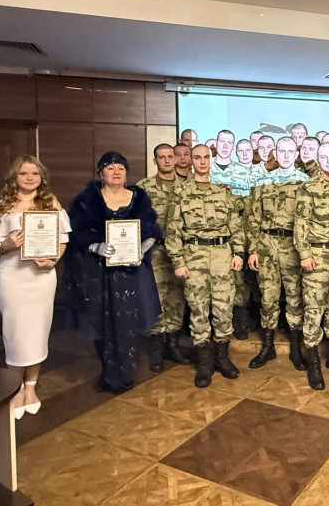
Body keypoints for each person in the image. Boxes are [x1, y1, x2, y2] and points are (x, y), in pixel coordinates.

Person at [0, 156, 70, 418]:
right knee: (15, 333)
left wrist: (53, 260)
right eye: (24, 173)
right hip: (13, 277)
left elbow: (62, 240)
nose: (29, 178)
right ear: (14, 177)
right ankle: (14, 389)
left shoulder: (51, 203)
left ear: (42, 177)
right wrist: (5, 244)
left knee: (38, 331)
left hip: (42, 277)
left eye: (35, 173)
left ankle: (31, 388)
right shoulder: (1, 206)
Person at [65, 151, 163, 393]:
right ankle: (108, 372)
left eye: (121, 168)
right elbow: (76, 234)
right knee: (101, 321)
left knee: (127, 321)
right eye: (110, 168)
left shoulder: (139, 198)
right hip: (98, 273)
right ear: (101, 173)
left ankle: (125, 373)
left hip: (131, 272)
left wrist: (142, 248)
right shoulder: (86, 200)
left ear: (127, 173)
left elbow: (153, 230)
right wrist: (95, 246)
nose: (116, 172)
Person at [167, 145, 246, 387]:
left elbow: (235, 225)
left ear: (211, 160)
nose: (202, 161)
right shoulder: (180, 192)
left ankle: (222, 358)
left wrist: (239, 252)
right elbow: (172, 230)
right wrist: (178, 261)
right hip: (194, 256)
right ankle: (204, 362)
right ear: (190, 161)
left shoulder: (223, 191)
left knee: (224, 308)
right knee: (198, 309)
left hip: (222, 255)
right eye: (197, 157)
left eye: (206, 157)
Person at [248, 138, 310, 370]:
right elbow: (253, 218)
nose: (285, 155)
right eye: (281, 151)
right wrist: (253, 249)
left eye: (289, 151)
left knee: (295, 296)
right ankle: (268, 346)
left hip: (293, 245)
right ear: (274, 153)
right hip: (267, 244)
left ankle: (295, 347)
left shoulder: (305, 183)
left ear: (296, 154)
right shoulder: (262, 182)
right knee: (268, 296)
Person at [295, 143, 329, 388]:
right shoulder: (308, 187)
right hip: (316, 254)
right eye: (324, 156)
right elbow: (301, 222)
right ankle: (314, 362)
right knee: (314, 308)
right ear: (317, 158)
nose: (328, 160)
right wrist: (304, 253)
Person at [135, 144, 192, 372]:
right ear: (155, 161)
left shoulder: (188, 187)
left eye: (170, 156)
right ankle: (157, 350)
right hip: (155, 252)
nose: (167, 161)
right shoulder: (144, 188)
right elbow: (135, 220)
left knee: (177, 299)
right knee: (156, 299)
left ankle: (173, 345)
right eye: (162, 157)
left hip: (181, 254)